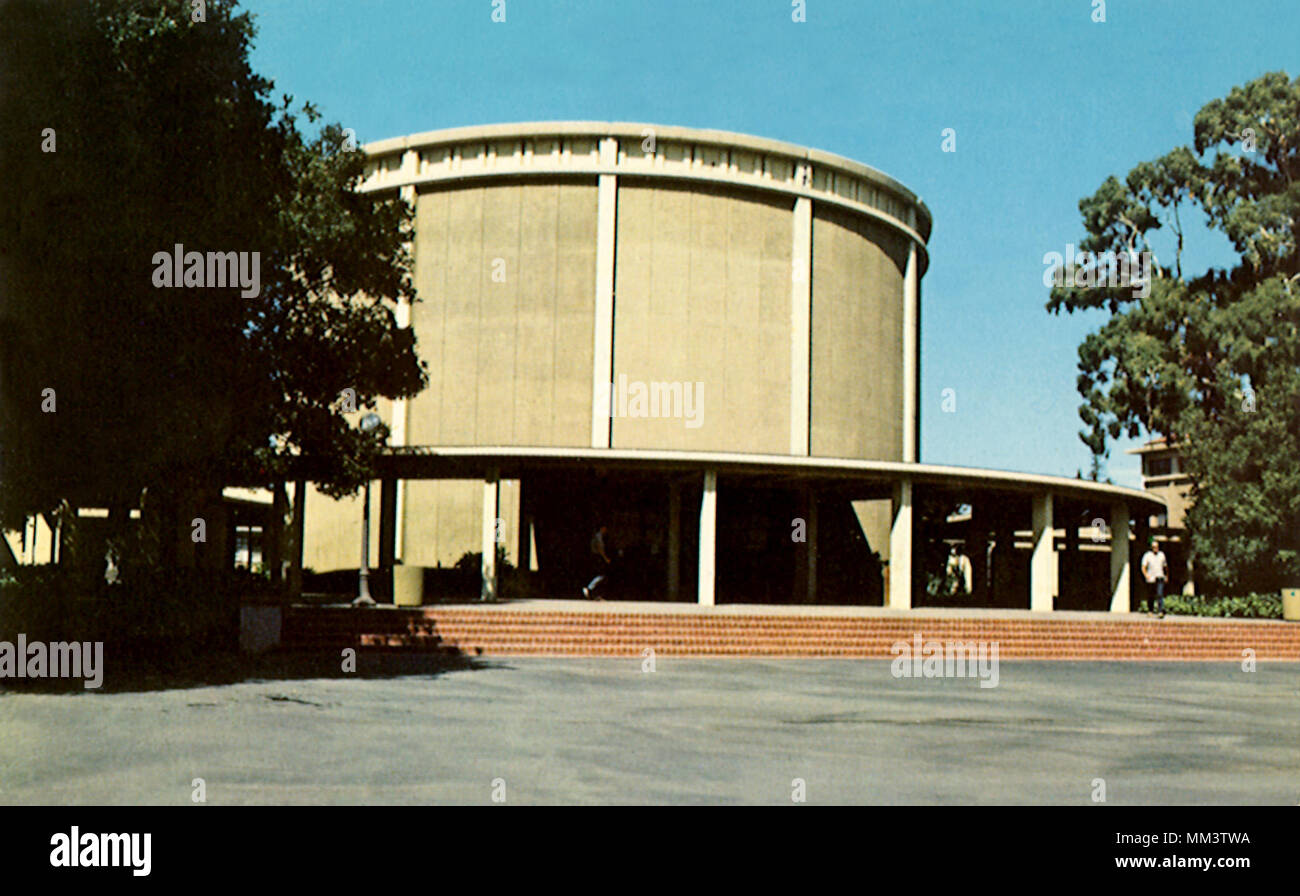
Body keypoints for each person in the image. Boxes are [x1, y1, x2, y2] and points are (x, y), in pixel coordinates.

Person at [1140, 539, 1169, 617]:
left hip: (1160, 576)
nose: (1155, 548)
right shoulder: (1147, 555)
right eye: (1153, 547)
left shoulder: (1161, 555)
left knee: (1160, 594)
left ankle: (1160, 611)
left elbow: (1165, 566)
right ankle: (1150, 610)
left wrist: (1166, 576)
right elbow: (1143, 567)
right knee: (1151, 595)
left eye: (1156, 547)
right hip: (1151, 578)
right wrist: (1146, 575)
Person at [582, 525, 611, 601]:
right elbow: (600, 549)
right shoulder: (598, 537)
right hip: (598, 557)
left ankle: (595, 594)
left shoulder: (597, 537)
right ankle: (589, 588)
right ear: (602, 528)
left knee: (601, 576)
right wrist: (606, 558)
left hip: (596, 557)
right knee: (601, 575)